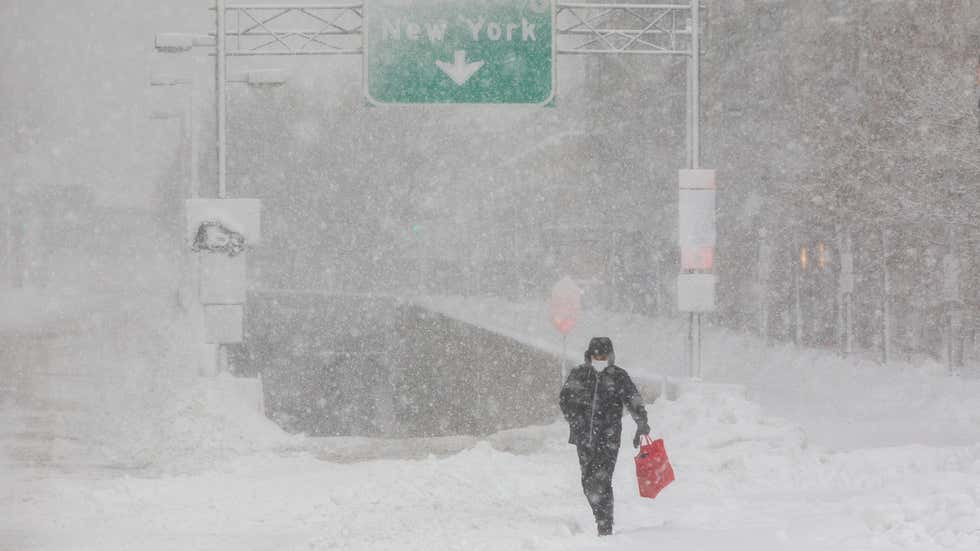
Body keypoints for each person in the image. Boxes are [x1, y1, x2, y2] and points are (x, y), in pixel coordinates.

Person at [559, 337, 650, 536]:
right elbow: (564, 399)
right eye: (596, 355)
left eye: (603, 355)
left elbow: (633, 399)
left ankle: (604, 525)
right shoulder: (579, 374)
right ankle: (600, 515)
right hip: (583, 438)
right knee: (587, 481)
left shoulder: (619, 377)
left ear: (610, 357)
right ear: (589, 356)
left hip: (609, 439)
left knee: (602, 480)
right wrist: (576, 421)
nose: (599, 359)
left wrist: (642, 423)